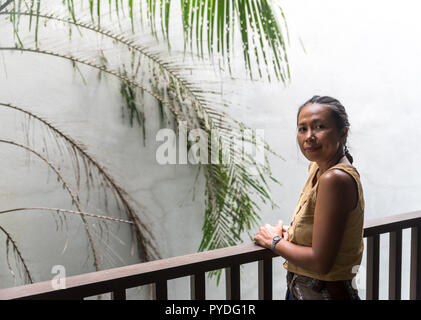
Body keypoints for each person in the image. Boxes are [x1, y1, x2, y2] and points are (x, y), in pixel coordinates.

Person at [254, 95, 364, 300]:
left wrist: (274, 240)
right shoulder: (318, 168)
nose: (309, 136)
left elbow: (320, 261)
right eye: (302, 128)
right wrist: (292, 233)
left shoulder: (335, 178)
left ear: (343, 133)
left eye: (320, 127)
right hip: (304, 291)